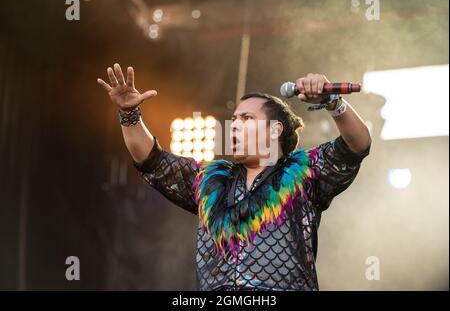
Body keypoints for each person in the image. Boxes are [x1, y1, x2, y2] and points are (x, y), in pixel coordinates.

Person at [97, 63, 371, 291]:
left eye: (246, 119)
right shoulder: (210, 180)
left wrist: (332, 101)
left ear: (275, 129)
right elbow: (150, 159)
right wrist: (129, 113)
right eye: (234, 119)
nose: (235, 126)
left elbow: (356, 146)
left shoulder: (303, 173)